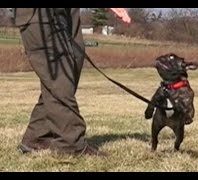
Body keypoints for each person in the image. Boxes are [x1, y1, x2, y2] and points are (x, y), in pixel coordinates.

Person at [13, 8, 131, 156]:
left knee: (71, 69)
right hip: (40, 14)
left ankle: (37, 137)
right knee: (60, 78)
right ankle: (70, 144)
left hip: (67, 14)